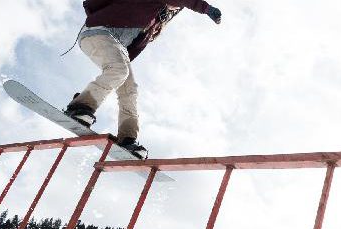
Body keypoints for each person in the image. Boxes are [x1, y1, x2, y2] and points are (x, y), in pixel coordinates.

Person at [65, 0, 223, 156]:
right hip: (97, 31)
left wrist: (119, 70)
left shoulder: (153, 24)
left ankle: (127, 138)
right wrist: (206, 8)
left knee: (130, 90)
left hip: (116, 46)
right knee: (119, 71)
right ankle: (80, 107)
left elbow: (129, 53)